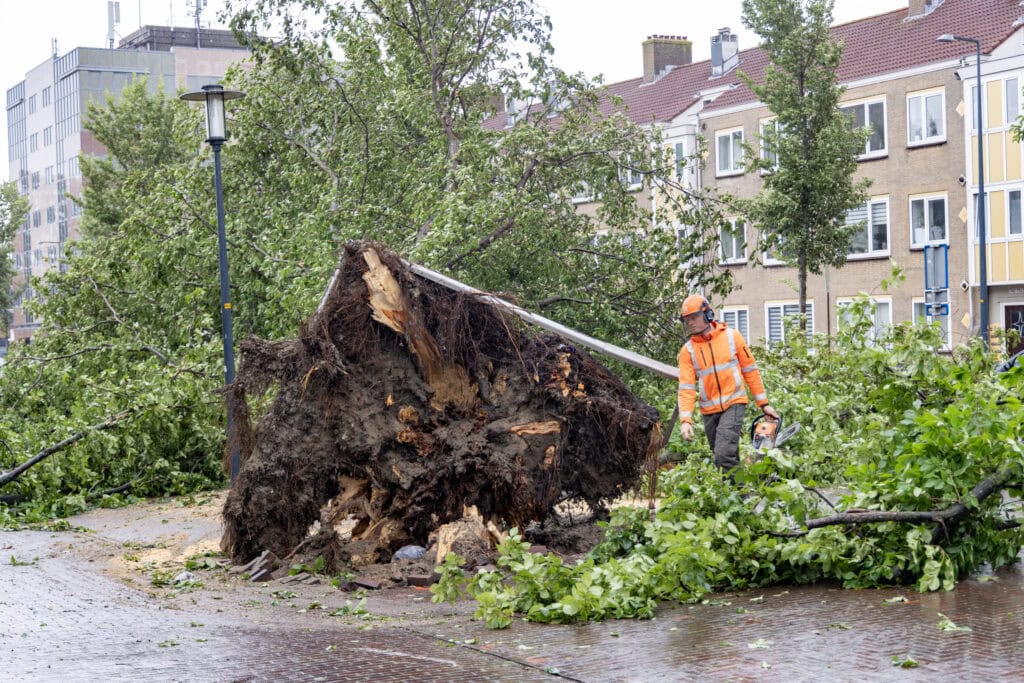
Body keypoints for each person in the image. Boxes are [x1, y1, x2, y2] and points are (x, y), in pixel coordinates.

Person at [677, 294, 779, 472]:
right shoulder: (688, 351)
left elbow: (750, 371)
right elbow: (686, 388)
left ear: (707, 314)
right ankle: (739, 495)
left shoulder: (732, 337)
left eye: (693, 317)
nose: (690, 322)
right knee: (722, 457)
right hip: (709, 410)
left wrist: (763, 403)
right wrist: (686, 420)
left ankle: (741, 495)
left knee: (723, 455)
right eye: (687, 319)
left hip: (734, 402)